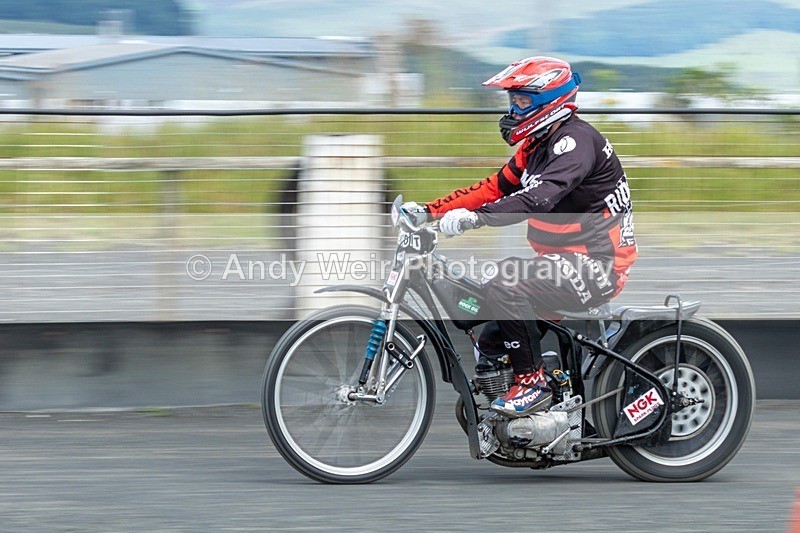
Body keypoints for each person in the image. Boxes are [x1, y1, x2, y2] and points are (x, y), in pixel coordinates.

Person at [402, 56, 637, 418]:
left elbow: (538, 198)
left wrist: (473, 221)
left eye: (522, 100)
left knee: (506, 283)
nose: (514, 107)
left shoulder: (574, 143)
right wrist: (431, 210)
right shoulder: (536, 146)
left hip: (597, 266)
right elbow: (493, 188)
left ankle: (533, 384)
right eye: (512, 99)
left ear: (551, 99)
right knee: (490, 328)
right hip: (560, 263)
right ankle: (547, 396)